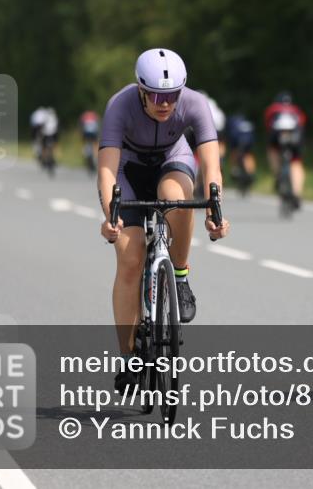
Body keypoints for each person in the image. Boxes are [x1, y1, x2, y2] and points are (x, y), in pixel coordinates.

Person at [97, 48, 230, 391]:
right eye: (156, 96)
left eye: (172, 95)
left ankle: (180, 277)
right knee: (130, 259)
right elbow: (107, 170)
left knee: (177, 199)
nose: (165, 103)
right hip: (128, 170)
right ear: (141, 90)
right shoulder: (119, 105)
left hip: (172, 160)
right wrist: (110, 217)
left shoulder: (195, 103)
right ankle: (128, 359)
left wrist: (215, 212)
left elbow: (211, 167)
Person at [264, 91, 307, 207]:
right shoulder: (296, 109)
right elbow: (302, 123)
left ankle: (278, 175)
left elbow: (268, 125)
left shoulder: (272, 109)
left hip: (277, 134)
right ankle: (297, 193)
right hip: (295, 134)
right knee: (296, 162)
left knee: (272, 150)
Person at [225, 113, 257, 191]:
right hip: (249, 142)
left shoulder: (233, 124)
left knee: (234, 151)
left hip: (236, 141)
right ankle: (251, 173)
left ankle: (234, 169)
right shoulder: (247, 124)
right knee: (248, 154)